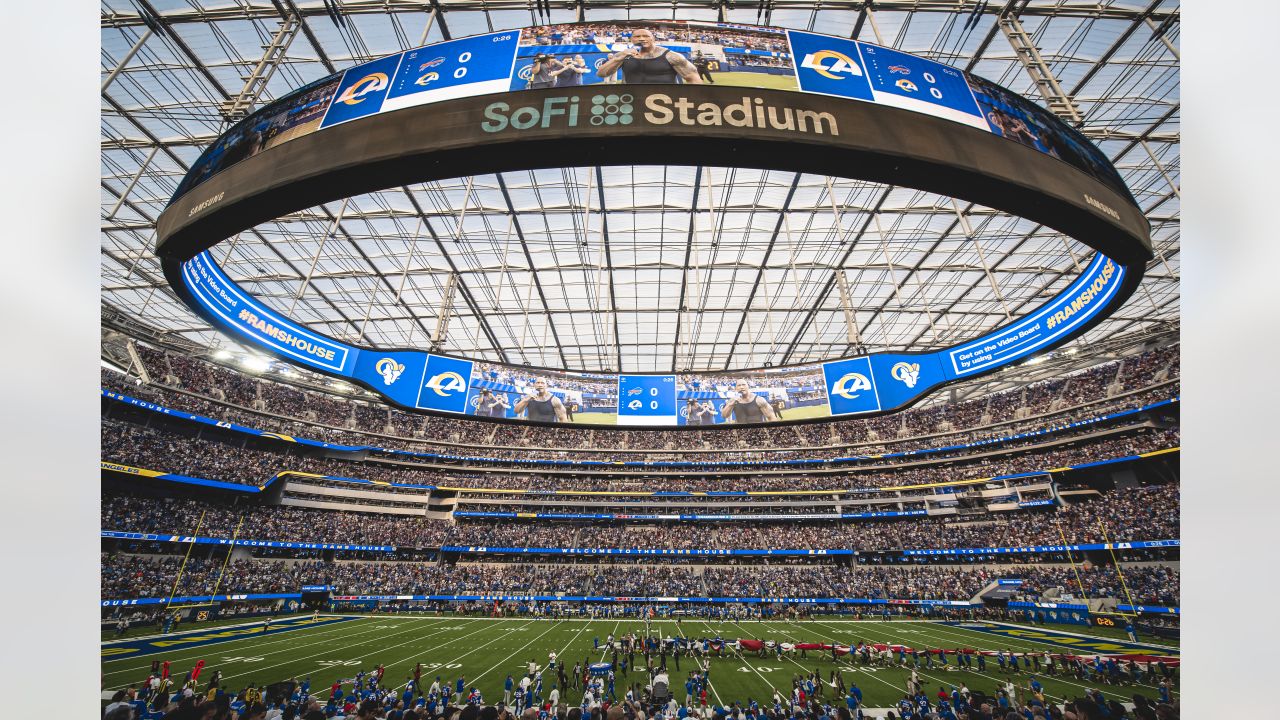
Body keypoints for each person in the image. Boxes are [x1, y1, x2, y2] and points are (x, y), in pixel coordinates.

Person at [596, 28, 702, 85]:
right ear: (631, 39)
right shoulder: (624, 55)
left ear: (653, 39)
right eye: (637, 36)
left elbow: (693, 78)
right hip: (632, 100)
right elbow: (601, 73)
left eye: (646, 36)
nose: (641, 39)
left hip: (666, 101)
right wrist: (619, 58)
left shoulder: (672, 56)